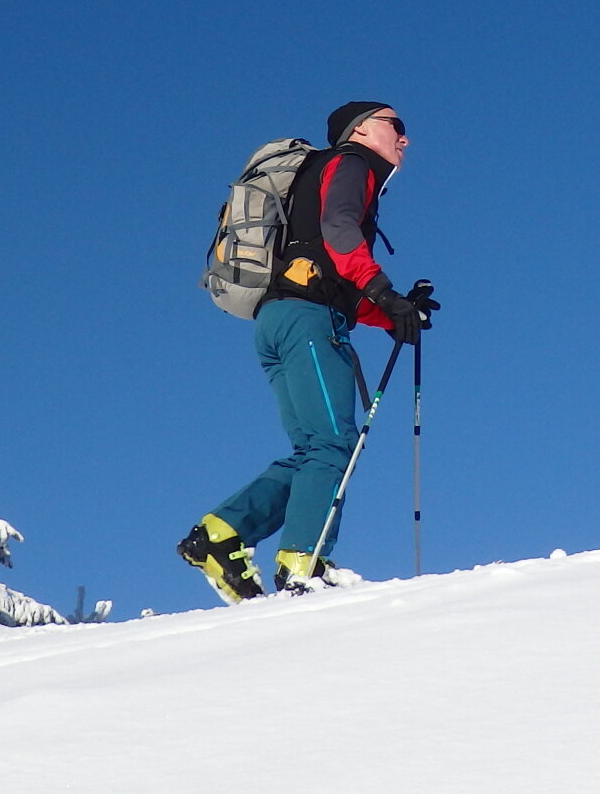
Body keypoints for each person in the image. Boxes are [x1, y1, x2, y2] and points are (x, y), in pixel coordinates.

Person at [178, 101, 437, 600]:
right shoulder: (351, 163)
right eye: (396, 126)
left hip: (282, 320)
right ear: (360, 130)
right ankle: (305, 561)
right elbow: (341, 236)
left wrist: (392, 316)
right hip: (308, 321)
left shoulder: (325, 174)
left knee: (315, 449)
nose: (405, 140)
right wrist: (386, 293)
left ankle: (221, 535)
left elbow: (329, 268)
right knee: (332, 445)